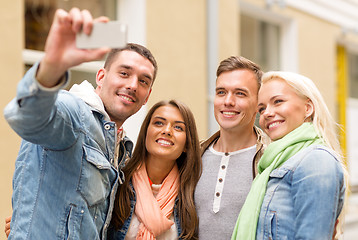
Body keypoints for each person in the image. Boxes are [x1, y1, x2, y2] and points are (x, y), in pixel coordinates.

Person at [4, 8, 157, 239]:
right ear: (101, 77)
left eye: (143, 81)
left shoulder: (121, 147)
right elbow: (26, 118)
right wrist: (52, 66)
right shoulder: (74, 112)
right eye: (124, 73)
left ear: (147, 96)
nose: (133, 85)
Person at [231, 71, 346, 240]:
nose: (267, 113)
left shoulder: (316, 160)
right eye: (261, 109)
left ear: (308, 108)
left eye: (278, 102)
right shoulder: (273, 164)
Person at [194, 56, 270, 239]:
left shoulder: (271, 161)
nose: (228, 101)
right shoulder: (192, 156)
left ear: (258, 106)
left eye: (240, 93)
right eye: (221, 92)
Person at [106, 99, 202, 240]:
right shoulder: (118, 182)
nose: (167, 131)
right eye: (159, 123)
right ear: (146, 133)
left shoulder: (192, 196)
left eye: (178, 128)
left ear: (187, 145)